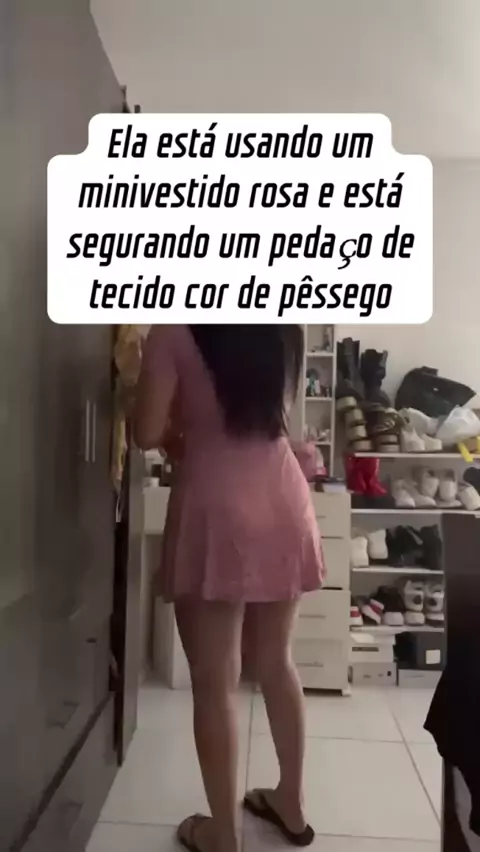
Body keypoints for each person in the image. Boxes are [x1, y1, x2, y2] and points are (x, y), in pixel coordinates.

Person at [134, 325, 325, 852]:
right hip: (283, 499)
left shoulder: (173, 331)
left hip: (215, 508)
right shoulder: (285, 328)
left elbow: (145, 431)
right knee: (276, 661)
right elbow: (268, 415)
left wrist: (162, 415)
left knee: (215, 680)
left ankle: (222, 832)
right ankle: (291, 802)